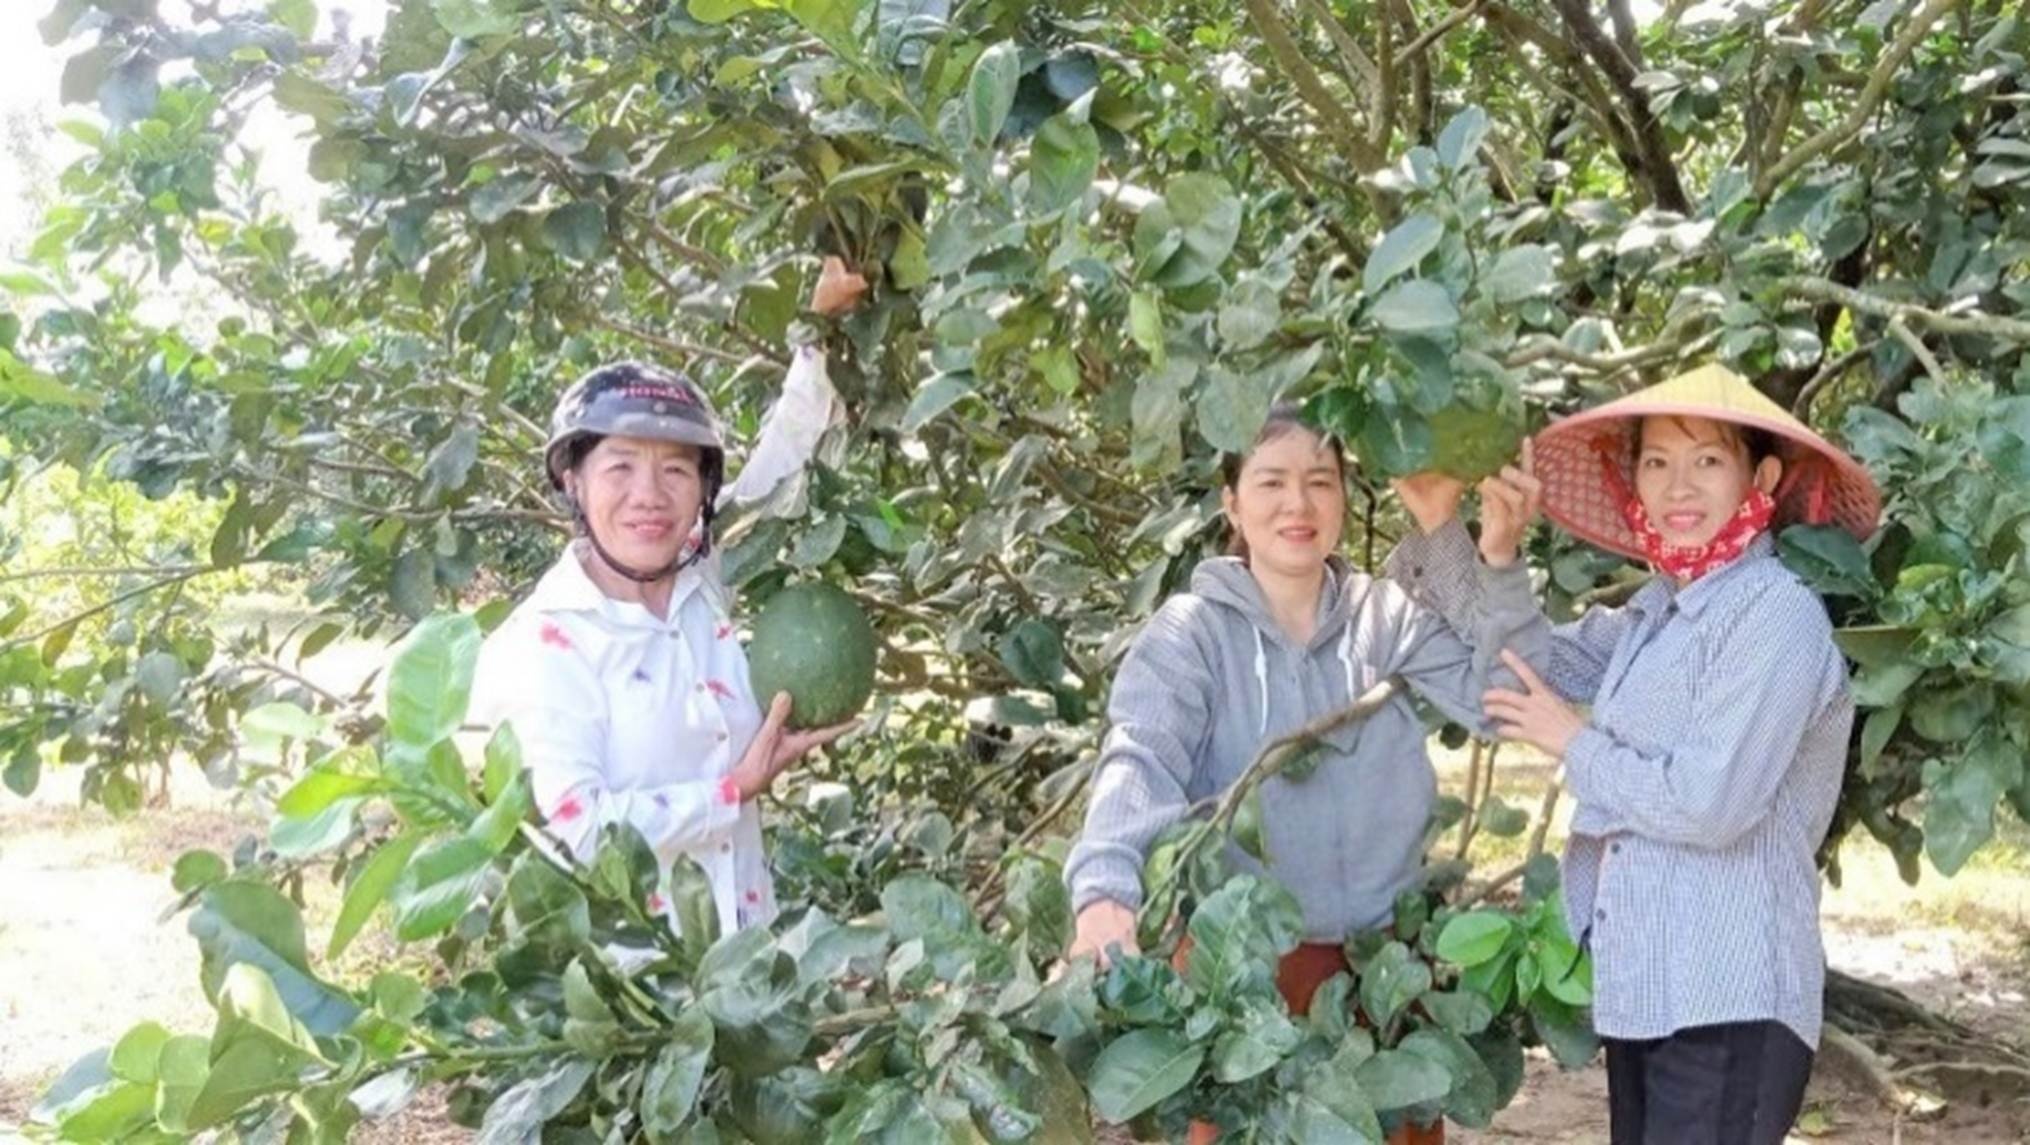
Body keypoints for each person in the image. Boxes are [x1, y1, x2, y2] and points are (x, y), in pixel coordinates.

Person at [1393, 364, 1882, 1144]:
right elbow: (1531, 669)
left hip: (1731, 995)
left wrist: (1572, 741)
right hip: (1652, 987)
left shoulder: (1776, 617)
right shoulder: (1657, 613)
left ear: (1762, 475)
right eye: (1656, 462)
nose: (1677, 485)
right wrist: (1477, 543)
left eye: (1707, 460)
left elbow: (1709, 804)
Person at [1063, 404, 1549, 1003]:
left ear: (1345, 497)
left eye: (1320, 481)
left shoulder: (1385, 615)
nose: (1298, 503)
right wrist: (1105, 895)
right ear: (1232, 503)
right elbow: (1141, 758)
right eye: (1271, 482)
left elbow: (1512, 702)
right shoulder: (1193, 635)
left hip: (1386, 969)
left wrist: (1493, 554)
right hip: (1240, 976)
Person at [471, 260, 868, 935]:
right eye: (621, 466)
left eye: (676, 469)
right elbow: (576, 828)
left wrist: (822, 324)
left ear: (703, 490)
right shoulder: (542, 644)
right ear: (573, 481)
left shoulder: (697, 588)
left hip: (748, 974)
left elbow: (783, 461)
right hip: (637, 1005)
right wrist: (733, 790)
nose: (649, 495)